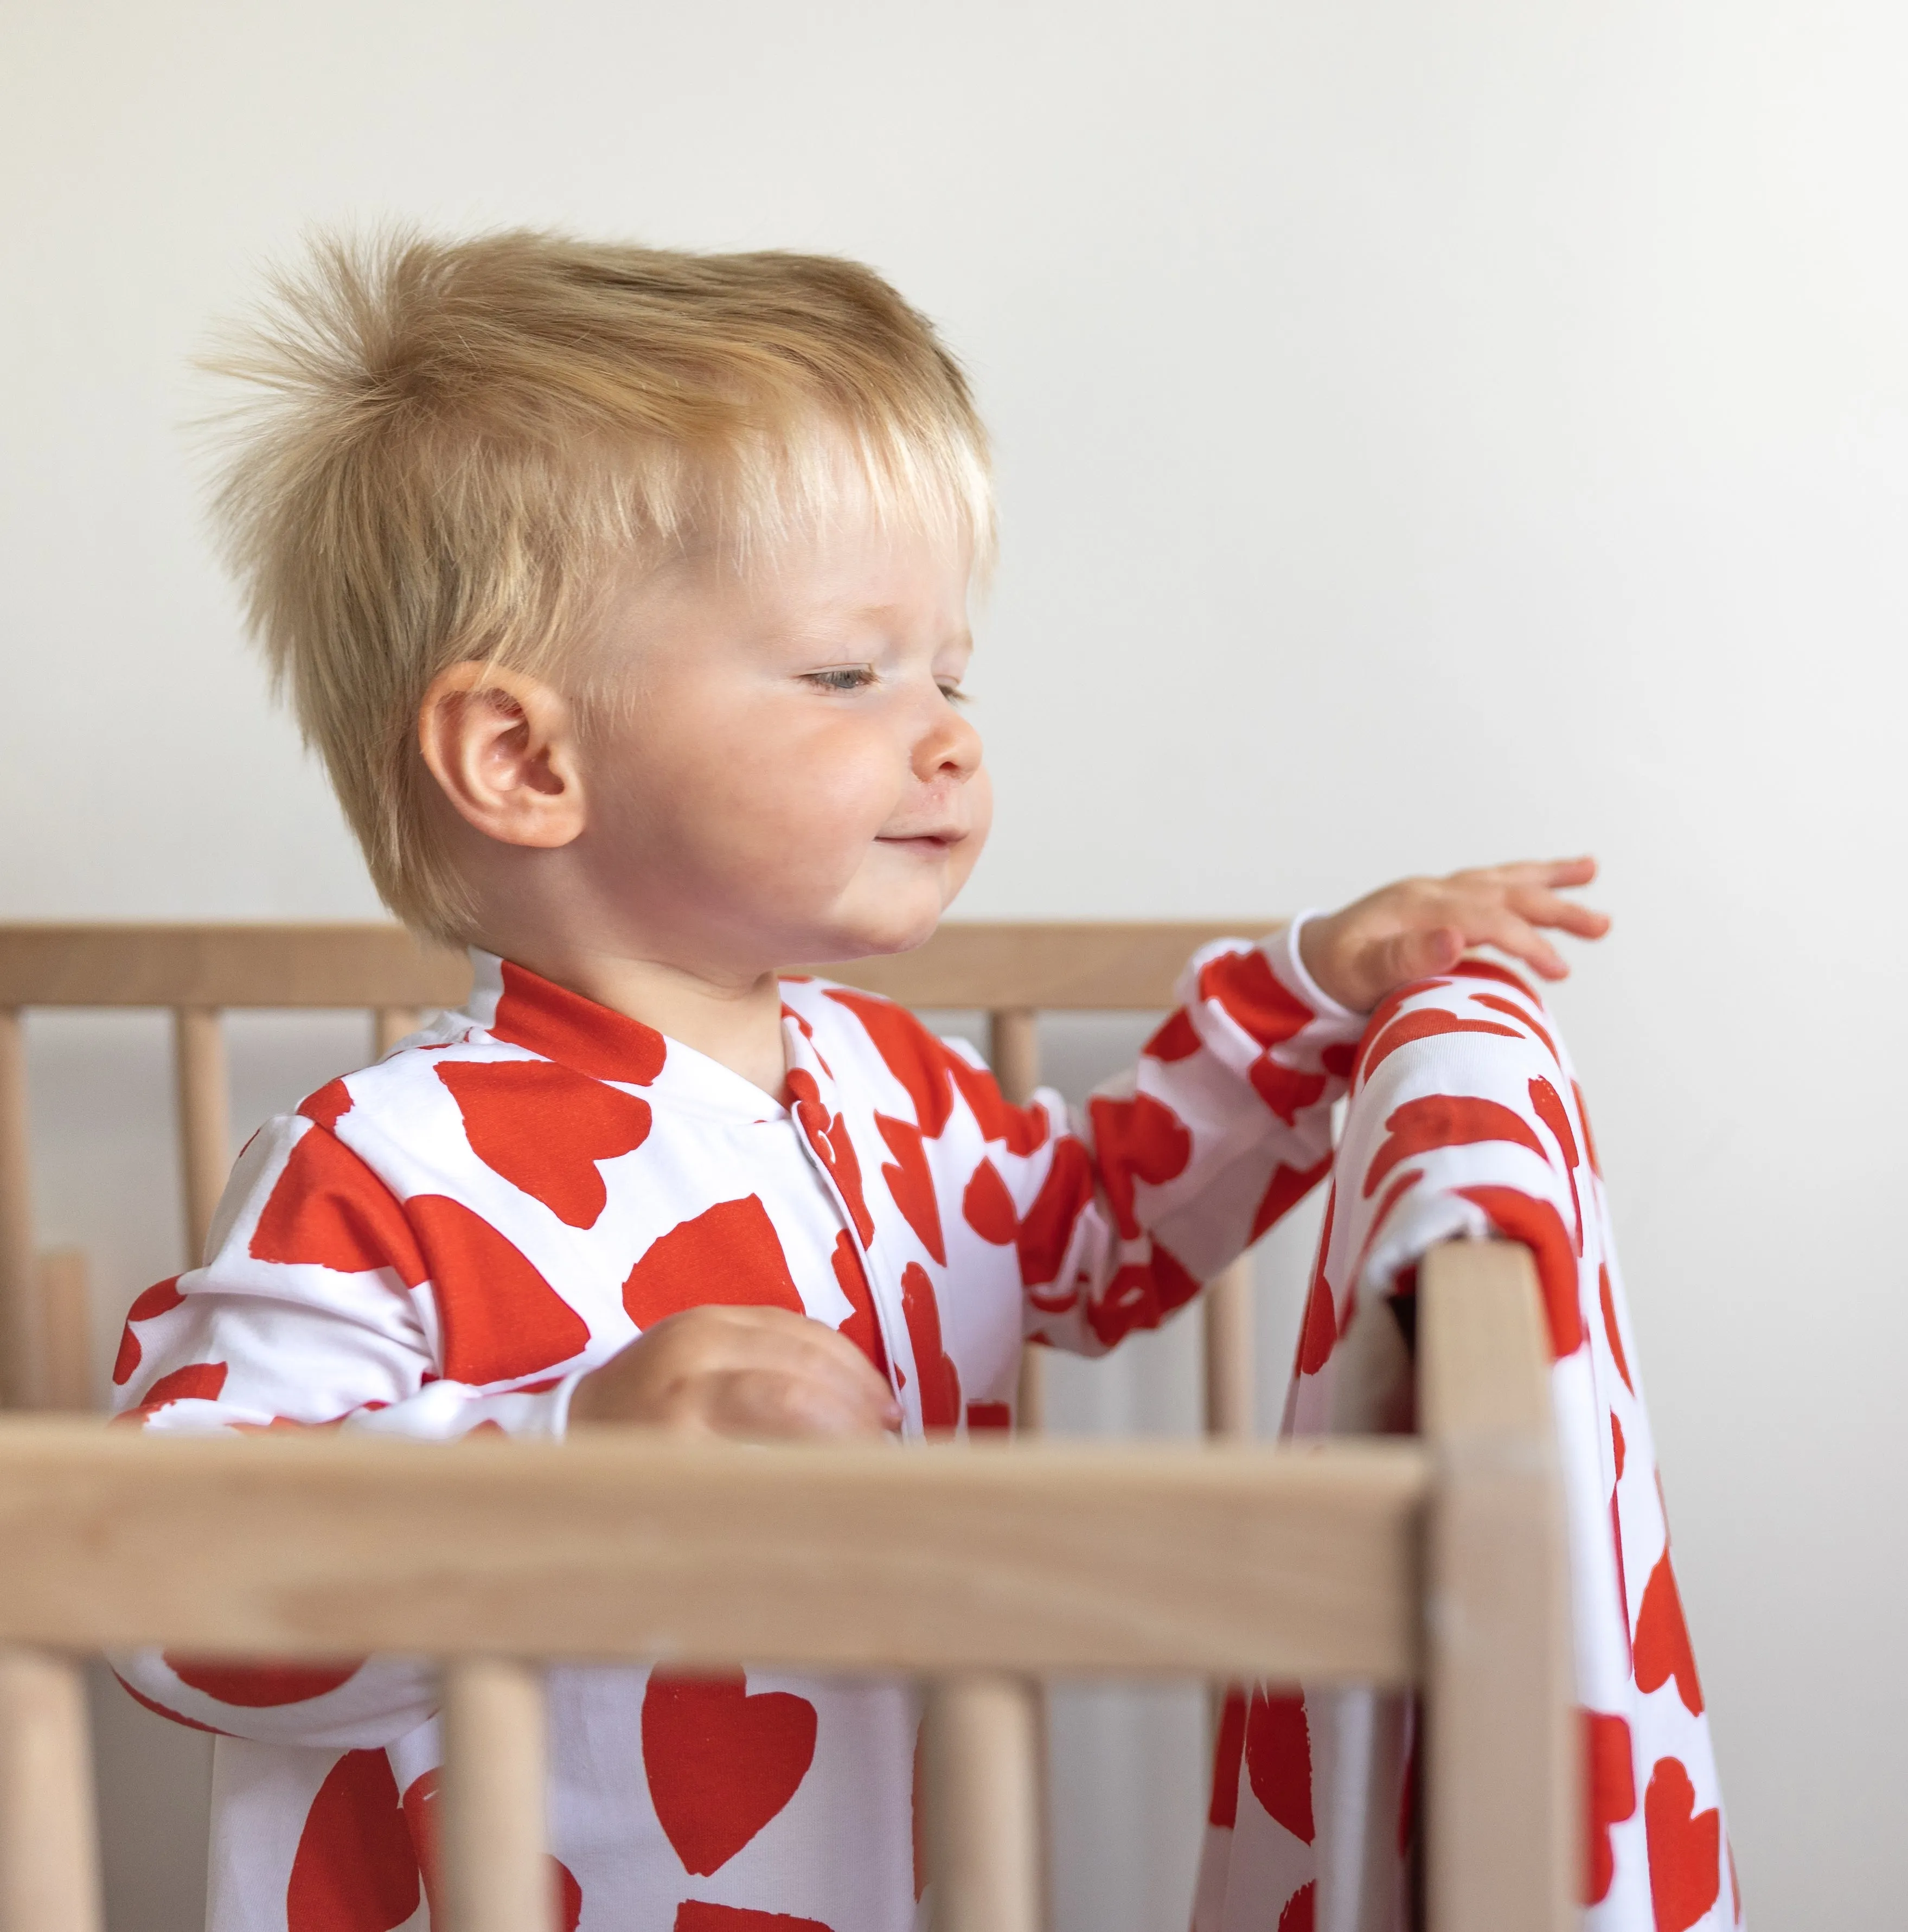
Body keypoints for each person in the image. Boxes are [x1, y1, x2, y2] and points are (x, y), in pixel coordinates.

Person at [111, 229, 1608, 1932]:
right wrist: (570, 1448)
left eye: (951, 671)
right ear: (527, 758)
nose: (949, 731)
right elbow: (169, 1582)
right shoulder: (379, 1167)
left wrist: (1312, 1004)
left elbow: (1095, 1232)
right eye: (847, 673)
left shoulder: (892, 1088)